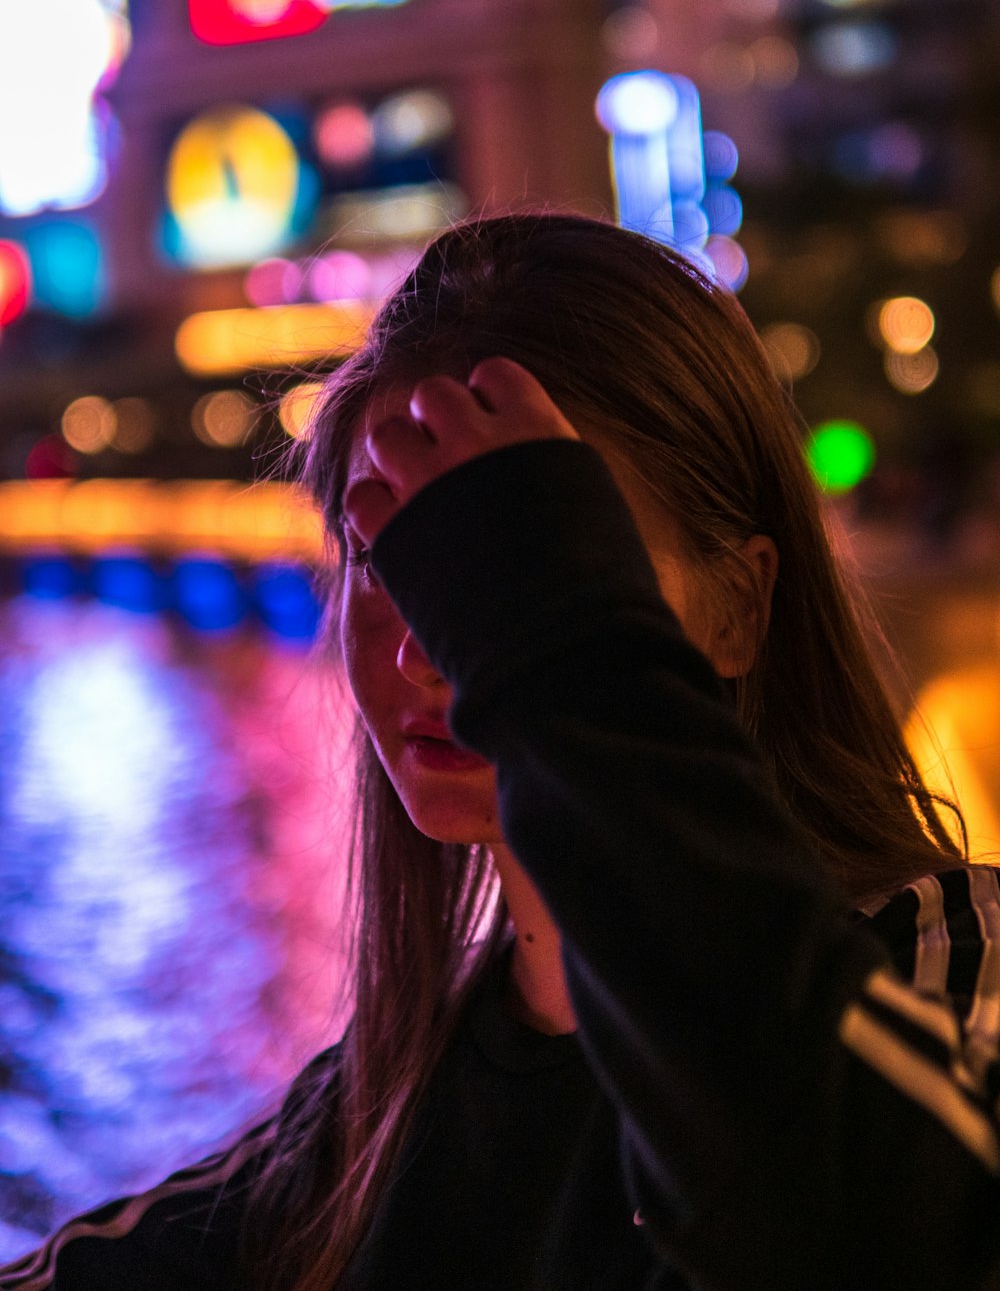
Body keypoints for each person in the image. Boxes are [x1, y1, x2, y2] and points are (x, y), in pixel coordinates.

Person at [4, 211, 1000, 1291]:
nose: (440, 642)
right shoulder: (374, 1120)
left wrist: (556, 662)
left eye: (532, 560)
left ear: (739, 606)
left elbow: (875, 1227)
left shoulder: (945, 959)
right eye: (394, 559)